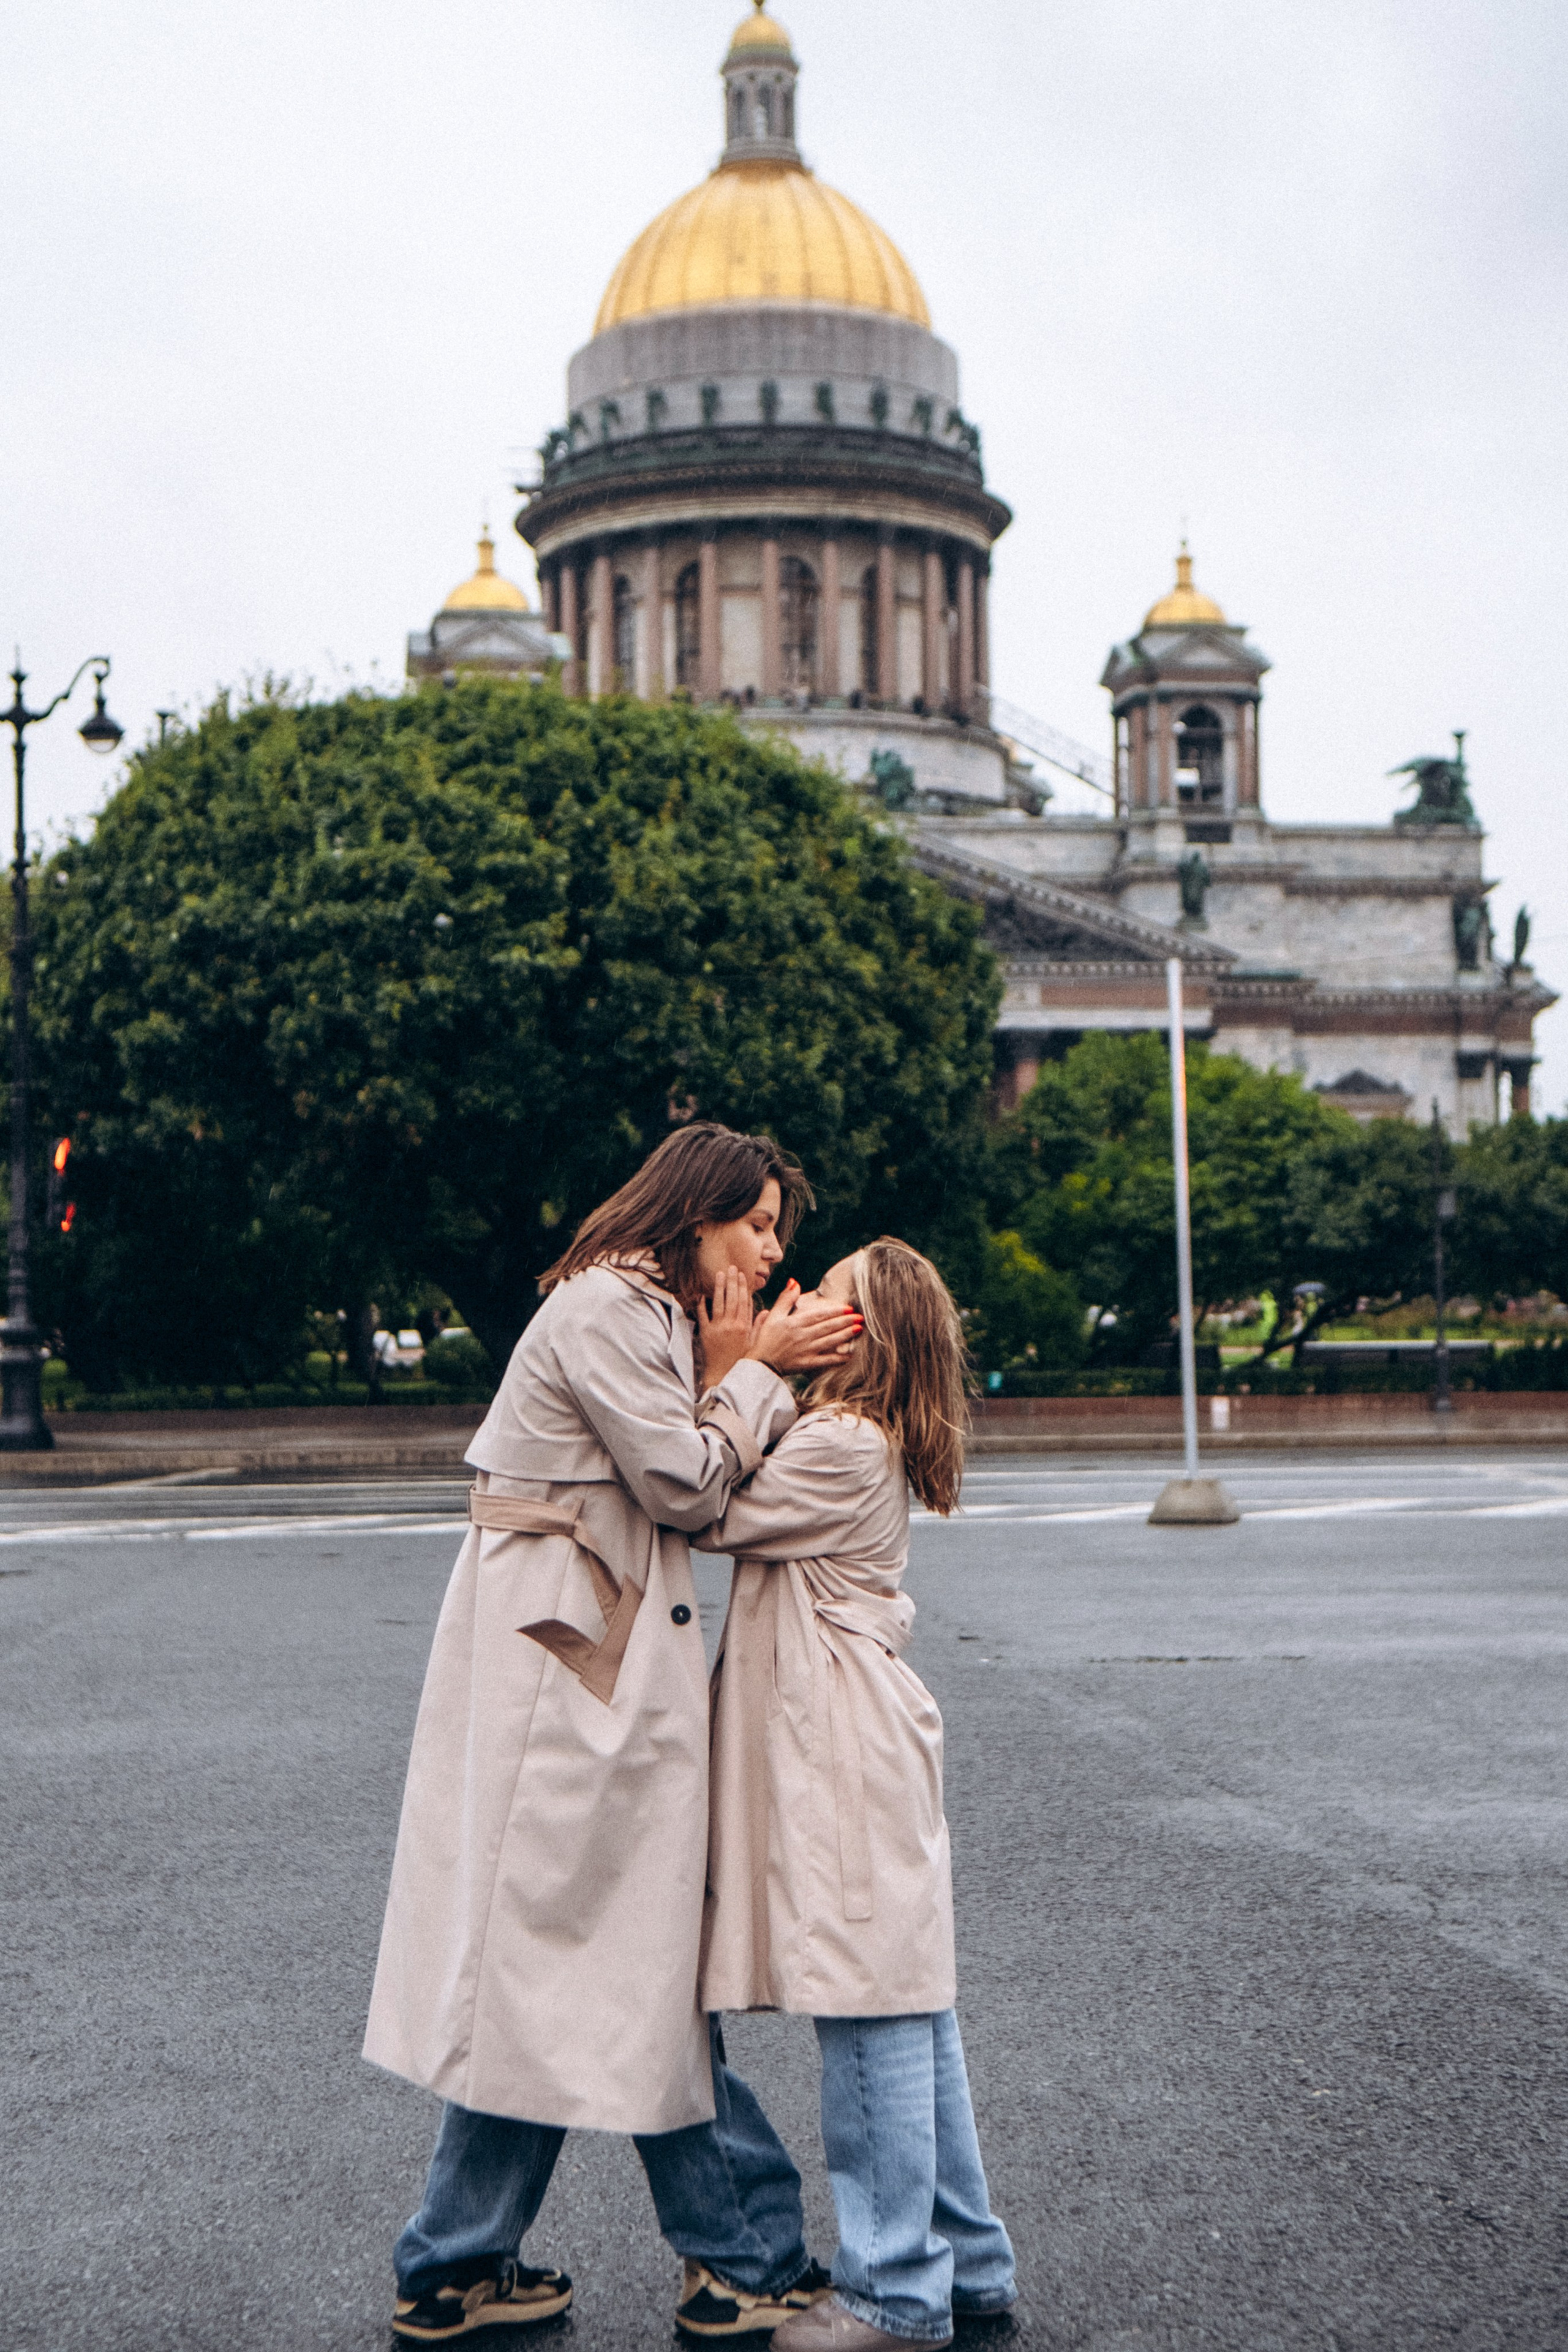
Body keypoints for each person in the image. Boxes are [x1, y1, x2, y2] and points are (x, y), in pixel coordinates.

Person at [363, 1124, 861, 2344]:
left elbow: (683, 1466)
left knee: (562, 1970)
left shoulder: (641, 1315)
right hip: (563, 1666)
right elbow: (685, 1485)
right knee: (622, 1963)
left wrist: (742, 1363)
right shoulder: (605, 1309)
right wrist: (760, 1373)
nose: (771, 1245)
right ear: (691, 1216)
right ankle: (737, 2258)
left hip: (572, 1653)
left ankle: (459, 2262)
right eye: (753, 1222)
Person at [695, 1238, 1017, 2352]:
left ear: (860, 1335)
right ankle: (968, 2264)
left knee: (873, 2011)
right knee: (911, 2003)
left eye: (820, 1296)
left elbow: (700, 1506)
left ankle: (893, 2294)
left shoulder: (837, 1440)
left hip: (846, 1747)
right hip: (867, 1737)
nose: (795, 1301)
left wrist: (738, 1366)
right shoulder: (850, 1437)